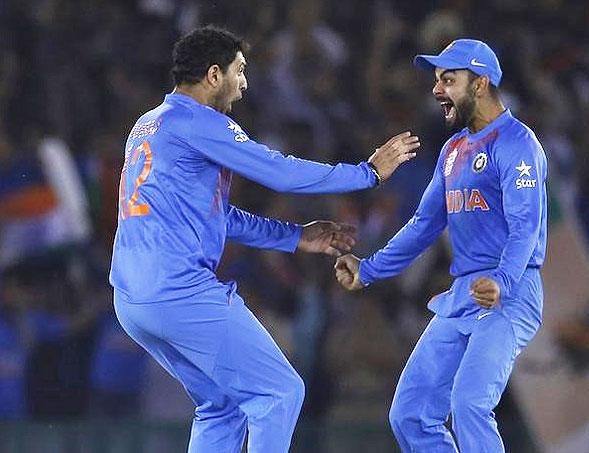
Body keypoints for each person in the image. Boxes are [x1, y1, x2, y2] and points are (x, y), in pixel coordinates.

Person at [109, 26, 419, 453]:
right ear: (214, 75)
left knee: (220, 406)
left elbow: (212, 217)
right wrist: (366, 173)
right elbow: (280, 172)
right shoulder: (201, 122)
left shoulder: (148, 125)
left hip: (131, 299)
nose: (244, 84)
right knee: (280, 391)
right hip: (178, 291)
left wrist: (295, 238)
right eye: (240, 71)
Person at [335, 39, 547, 452]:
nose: (436, 90)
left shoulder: (518, 144)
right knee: (409, 414)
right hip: (463, 294)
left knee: (469, 404)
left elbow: (526, 226)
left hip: (510, 293)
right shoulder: (453, 151)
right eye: (436, 80)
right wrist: (369, 268)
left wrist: (502, 280)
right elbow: (424, 224)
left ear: (481, 83)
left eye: (448, 80)